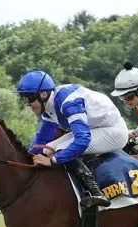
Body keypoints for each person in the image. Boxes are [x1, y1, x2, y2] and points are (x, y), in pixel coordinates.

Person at [17, 69, 130, 210]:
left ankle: (97, 193)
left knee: (62, 149)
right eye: (24, 99)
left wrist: (52, 160)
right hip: (95, 128)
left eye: (29, 98)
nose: (27, 104)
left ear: (43, 94)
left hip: (114, 131)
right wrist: (27, 157)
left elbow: (82, 141)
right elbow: (42, 139)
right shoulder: (49, 106)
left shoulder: (69, 103)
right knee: (47, 148)